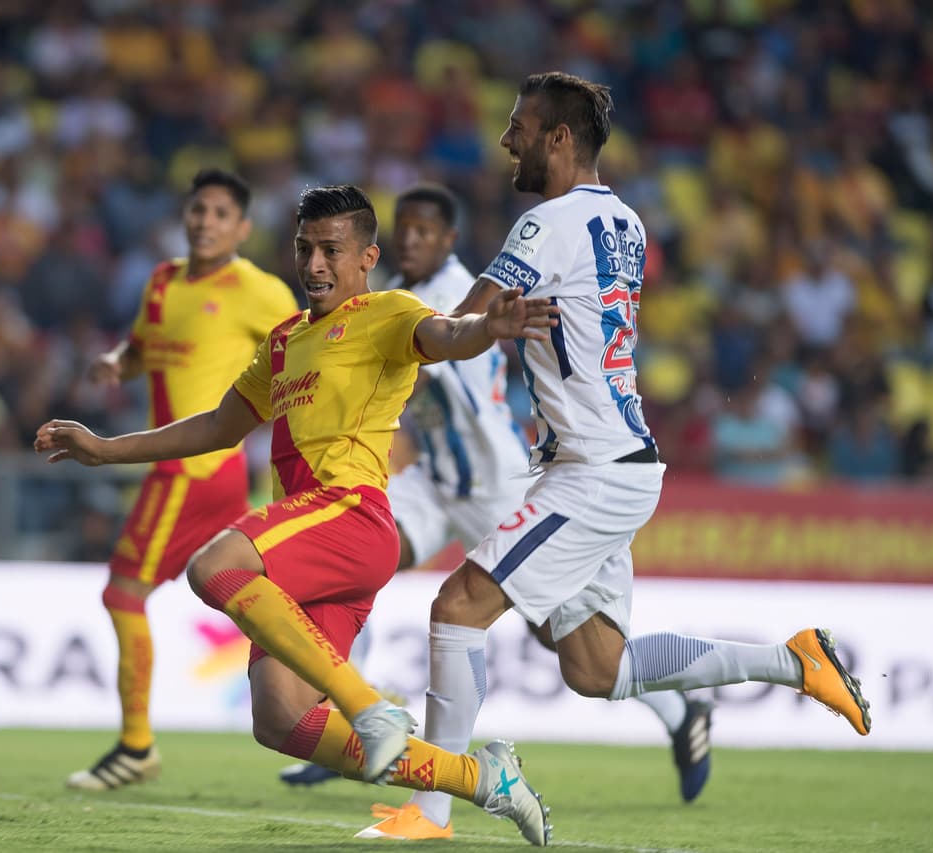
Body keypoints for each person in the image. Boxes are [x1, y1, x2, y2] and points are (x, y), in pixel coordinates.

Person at [361, 72, 870, 846]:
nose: (508, 139)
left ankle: (429, 812)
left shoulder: (546, 223)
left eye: (520, 126)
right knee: (597, 668)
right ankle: (793, 660)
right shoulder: (626, 221)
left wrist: (365, 336)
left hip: (593, 468)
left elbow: (456, 326)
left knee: (456, 608)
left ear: (559, 138)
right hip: (617, 460)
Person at [37, 185, 562, 845]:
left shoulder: (389, 312)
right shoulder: (284, 340)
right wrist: (106, 448)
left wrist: (489, 327)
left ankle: (368, 704)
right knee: (280, 718)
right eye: (305, 248)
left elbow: (447, 333)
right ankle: (484, 778)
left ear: (368, 256)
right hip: (313, 542)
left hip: (352, 513)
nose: (314, 264)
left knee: (215, 564)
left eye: (331, 250)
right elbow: (221, 425)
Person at [282, 184, 714, 831]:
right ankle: (358, 708)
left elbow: (431, 353)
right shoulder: (390, 290)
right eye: (406, 229)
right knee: (351, 556)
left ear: (449, 241)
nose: (413, 240)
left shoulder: (455, 292)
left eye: (427, 231)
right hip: (434, 481)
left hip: (496, 482)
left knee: (563, 639)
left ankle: (683, 713)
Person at [64, 169, 299, 792]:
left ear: (242, 228)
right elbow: (143, 347)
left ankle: (137, 745)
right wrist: (118, 361)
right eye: (198, 210)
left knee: (123, 594)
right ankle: (356, 698)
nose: (206, 222)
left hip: (191, 469)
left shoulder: (258, 289)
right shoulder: (163, 281)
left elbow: (306, 349)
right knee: (243, 599)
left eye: (221, 214)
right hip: (182, 466)